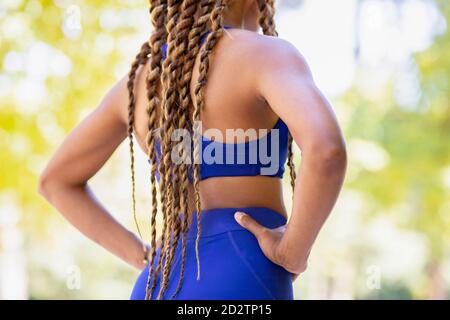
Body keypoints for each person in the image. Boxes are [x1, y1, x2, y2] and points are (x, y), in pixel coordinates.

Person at [39, 0, 347, 300]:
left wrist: (145, 257)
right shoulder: (265, 56)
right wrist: (292, 251)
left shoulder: (141, 82)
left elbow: (55, 181)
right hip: (246, 275)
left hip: (160, 282)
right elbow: (326, 150)